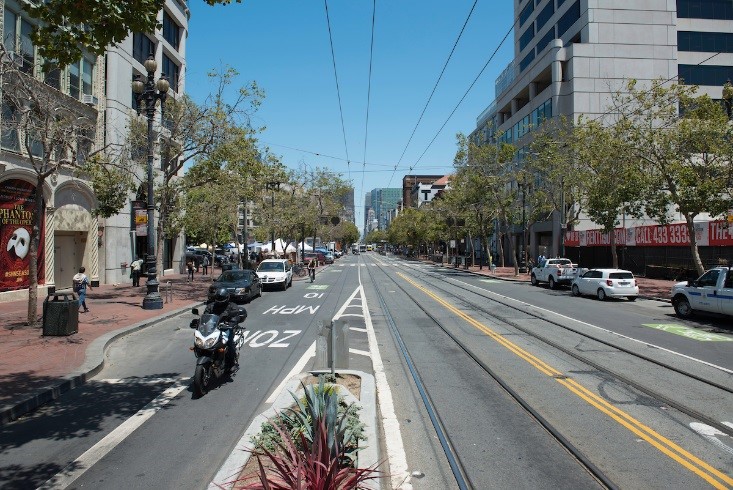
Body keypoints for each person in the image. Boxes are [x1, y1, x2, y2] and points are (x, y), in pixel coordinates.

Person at [204, 288, 246, 371]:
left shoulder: (232, 306)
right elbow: (205, 316)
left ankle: (231, 364)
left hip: (227, 328)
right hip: (212, 328)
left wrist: (231, 324)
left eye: (221, 299)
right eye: (218, 299)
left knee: (230, 344)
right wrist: (199, 322)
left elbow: (236, 317)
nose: (219, 301)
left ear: (227, 298)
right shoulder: (211, 306)